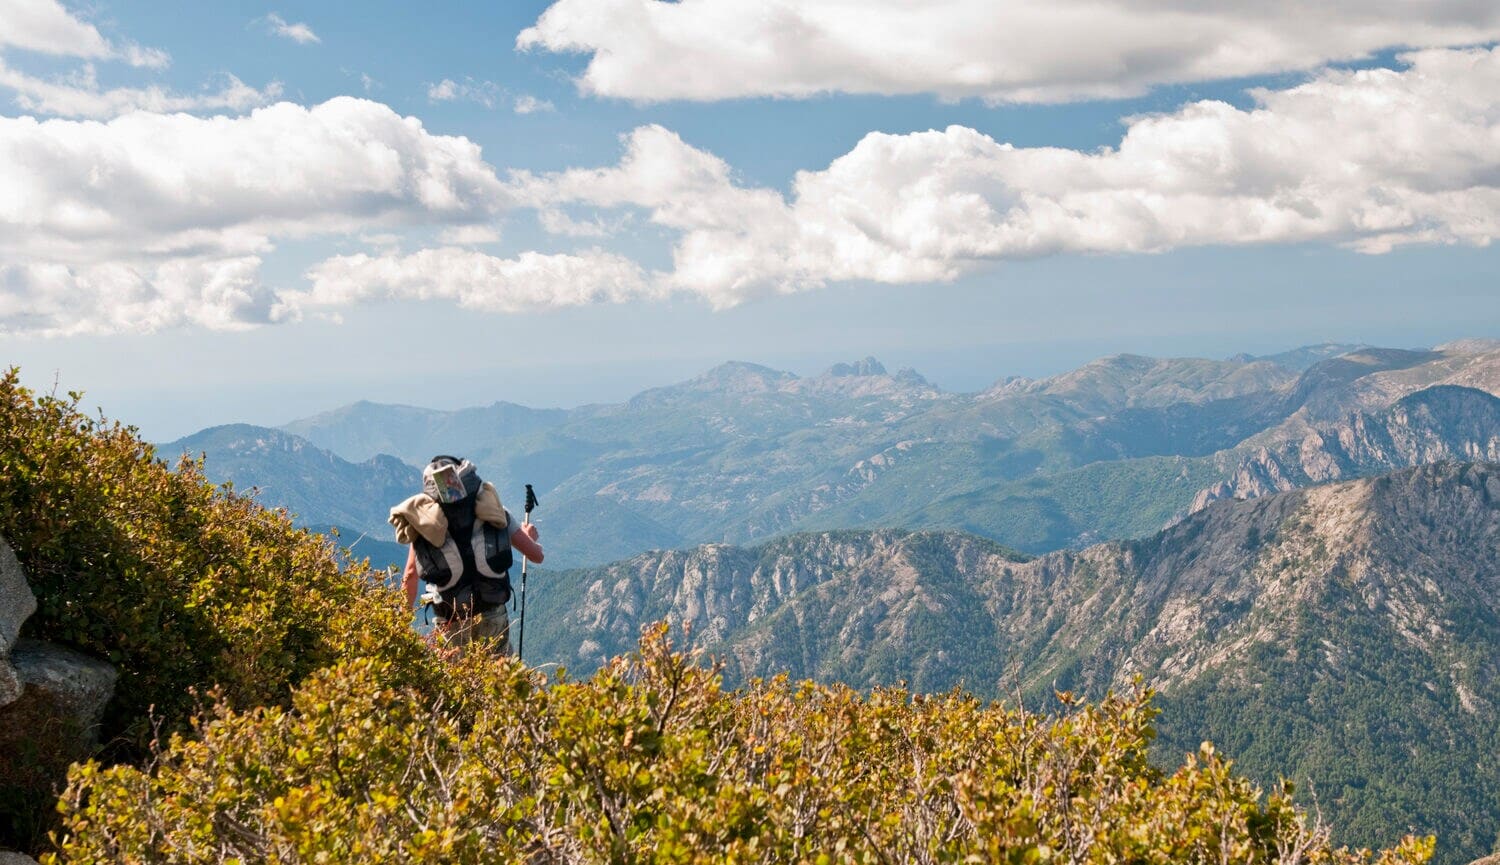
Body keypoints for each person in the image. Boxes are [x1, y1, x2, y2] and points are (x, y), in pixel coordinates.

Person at [390, 456, 543, 656]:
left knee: (452, 681)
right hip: (492, 613)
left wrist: (399, 625)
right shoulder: (494, 511)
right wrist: (527, 535)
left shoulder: (425, 525)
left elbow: (411, 574)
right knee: (497, 680)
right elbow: (536, 555)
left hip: (450, 620)